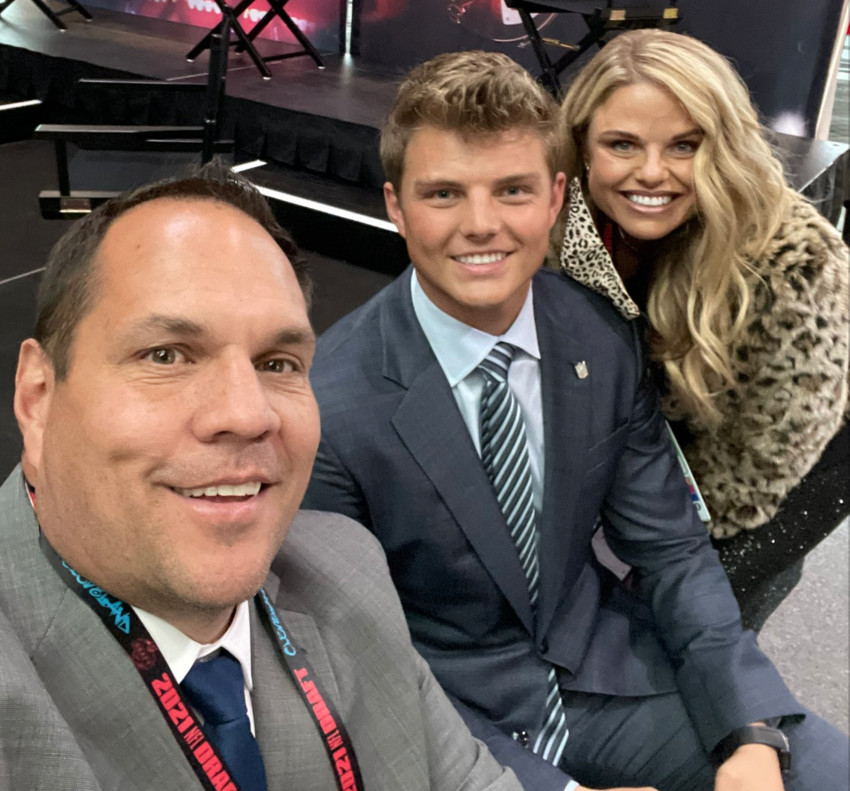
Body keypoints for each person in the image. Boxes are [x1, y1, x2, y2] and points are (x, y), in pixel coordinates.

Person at [303, 50, 850, 791]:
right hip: (459, 718)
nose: (482, 225)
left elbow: (673, 551)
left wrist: (748, 728)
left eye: (513, 190)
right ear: (396, 205)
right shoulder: (327, 407)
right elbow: (355, 658)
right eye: (443, 194)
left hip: (611, 673)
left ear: (558, 197)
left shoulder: (598, 332)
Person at [0, 163, 522, 791]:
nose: (248, 414)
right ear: (38, 397)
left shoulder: (345, 566)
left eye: (277, 362)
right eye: (166, 355)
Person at [553, 28, 850, 629]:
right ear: (584, 146)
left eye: (685, 145)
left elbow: (759, 467)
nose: (652, 173)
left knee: (703, 649)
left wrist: (655, 552)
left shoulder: (794, 265)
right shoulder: (560, 226)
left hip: (775, 483)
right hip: (652, 466)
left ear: (723, 145)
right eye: (623, 144)